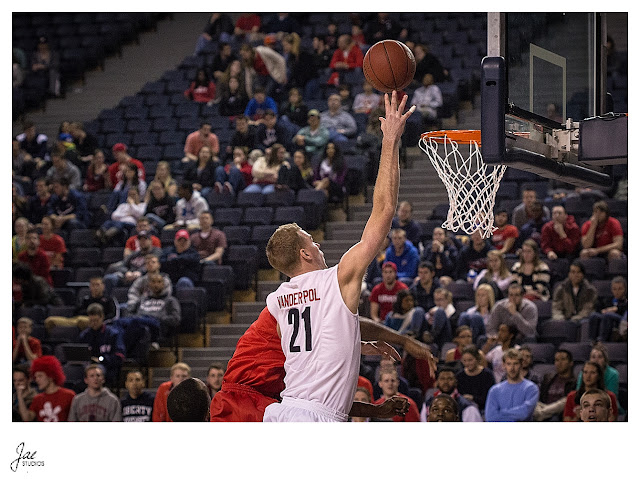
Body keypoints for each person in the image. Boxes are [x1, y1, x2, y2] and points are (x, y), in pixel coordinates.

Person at [262, 92, 425, 422]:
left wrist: (351, 340)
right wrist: (390, 139)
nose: (320, 247)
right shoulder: (336, 280)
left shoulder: (277, 301)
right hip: (315, 419)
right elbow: (383, 209)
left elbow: (310, 347)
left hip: (283, 413)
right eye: (313, 242)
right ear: (305, 253)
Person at [210, 308, 430, 422]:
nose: (318, 248)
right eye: (312, 244)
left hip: (254, 402)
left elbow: (321, 406)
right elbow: (342, 323)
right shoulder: (284, 306)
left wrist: (375, 410)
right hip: (240, 399)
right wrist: (403, 340)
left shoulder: (297, 368)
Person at [484, 348, 539, 421]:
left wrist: (501, 413)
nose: (512, 368)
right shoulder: (495, 390)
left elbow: (524, 413)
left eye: (515, 364)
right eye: (509, 364)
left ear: (521, 364)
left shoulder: (531, 388)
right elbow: (490, 417)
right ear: (504, 365)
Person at [78, 303, 125, 386]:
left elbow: (120, 355)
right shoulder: (84, 335)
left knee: (95, 373)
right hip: (87, 366)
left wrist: (102, 359)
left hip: (107, 367)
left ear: (102, 317)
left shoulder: (113, 334)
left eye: (96, 320)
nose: (94, 323)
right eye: (91, 321)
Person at [17, 355, 75, 422]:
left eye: (40, 376)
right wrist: (19, 396)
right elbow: (27, 419)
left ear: (50, 376)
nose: (37, 380)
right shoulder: (37, 399)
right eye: (35, 377)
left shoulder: (69, 395)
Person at [533, 349, 576, 421]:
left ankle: (541, 414)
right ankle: (542, 413)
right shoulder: (548, 378)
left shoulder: (574, 382)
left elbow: (568, 404)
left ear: (571, 363)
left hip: (559, 412)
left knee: (565, 401)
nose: (559, 363)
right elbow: (540, 397)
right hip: (544, 406)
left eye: (563, 359)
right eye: (557, 360)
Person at [551, 259, 598, 324]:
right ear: (569, 274)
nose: (576, 275)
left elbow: (588, 309)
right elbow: (556, 307)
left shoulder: (590, 290)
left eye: (578, 272)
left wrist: (575, 319)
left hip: (582, 320)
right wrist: (560, 318)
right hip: (564, 319)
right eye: (573, 272)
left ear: (583, 274)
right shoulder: (561, 289)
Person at [456, 344, 495, 413]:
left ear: (477, 359)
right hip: (464, 409)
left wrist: (473, 398)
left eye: (470, 360)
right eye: (465, 361)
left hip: (484, 409)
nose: (467, 363)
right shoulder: (460, 376)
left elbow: (490, 398)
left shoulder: (487, 375)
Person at [588, 276, 627, 342]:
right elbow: (600, 309)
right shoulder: (608, 300)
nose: (617, 292)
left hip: (621, 320)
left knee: (608, 315)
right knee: (594, 315)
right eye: (614, 289)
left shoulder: (626, 301)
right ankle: (592, 341)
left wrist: (615, 309)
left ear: (625, 289)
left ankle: (602, 340)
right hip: (606, 317)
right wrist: (604, 311)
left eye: (620, 289)